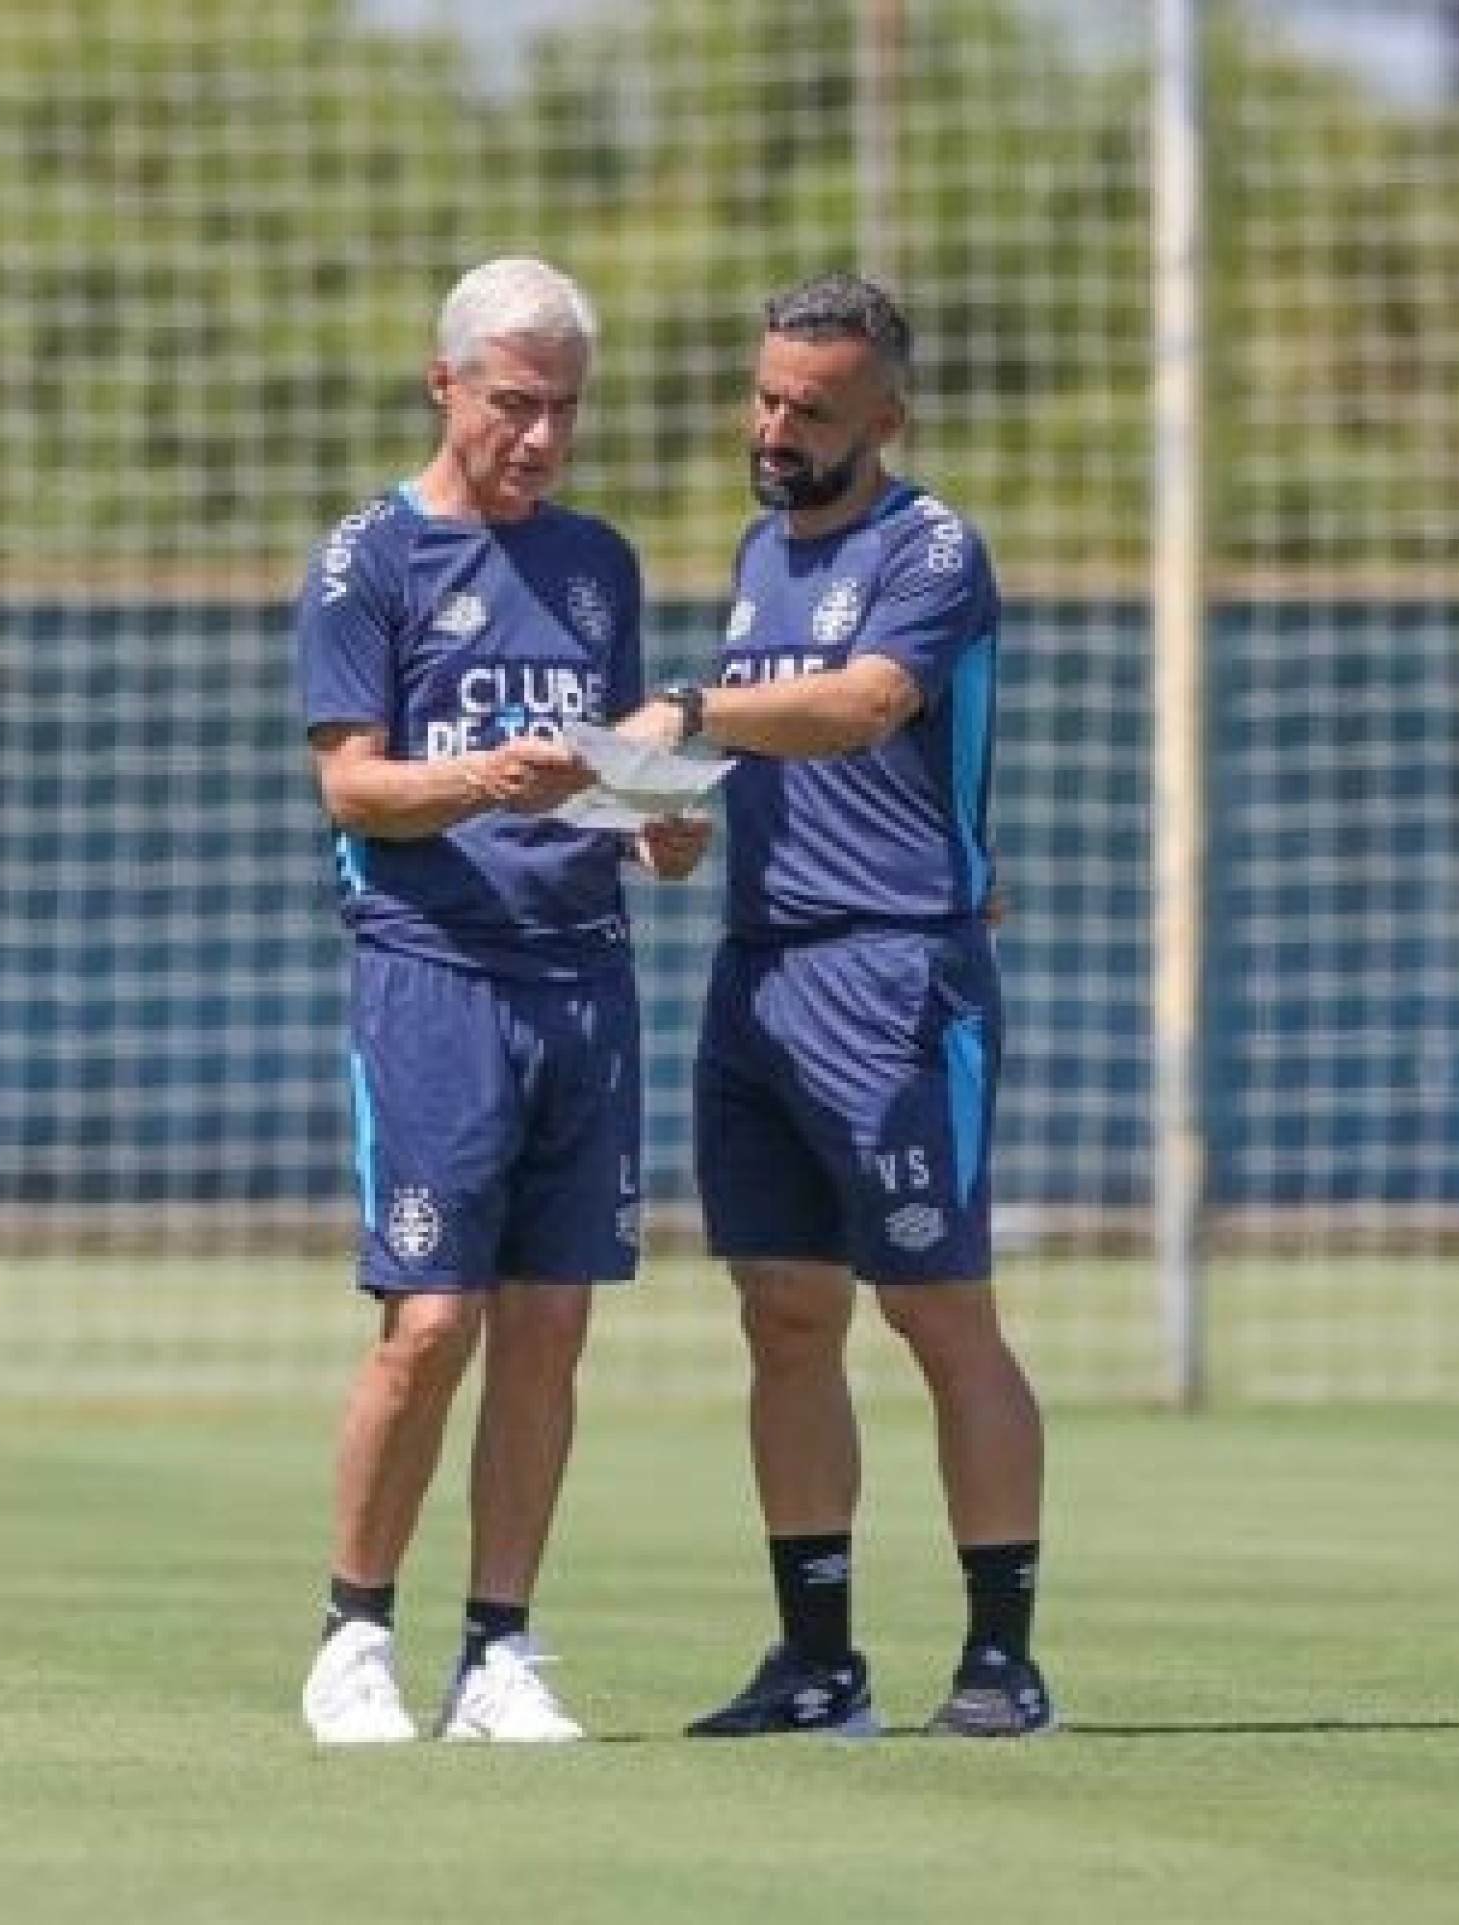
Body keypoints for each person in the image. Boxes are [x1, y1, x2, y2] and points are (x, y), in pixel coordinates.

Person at [618, 271, 1052, 1739]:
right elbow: (757, 747)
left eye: (810, 406)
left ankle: (1001, 1658)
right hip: (760, 975)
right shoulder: (757, 552)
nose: (776, 425)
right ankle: (817, 1662)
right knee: (785, 1314)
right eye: (764, 395)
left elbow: (865, 704)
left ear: (885, 414)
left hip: (896, 977)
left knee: (939, 1311)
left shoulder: (931, 547)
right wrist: (670, 817)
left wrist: (687, 712)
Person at [294, 257, 711, 1745]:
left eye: (564, 412)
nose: (538, 439)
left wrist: (661, 824)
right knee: (430, 1319)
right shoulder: (368, 563)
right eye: (513, 405)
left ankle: (502, 1652)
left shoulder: (598, 566)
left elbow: (611, 781)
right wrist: (483, 776)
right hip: (432, 974)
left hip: (582, 980)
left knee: (549, 1326)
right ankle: (353, 1634)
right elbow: (351, 783)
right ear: (445, 385)